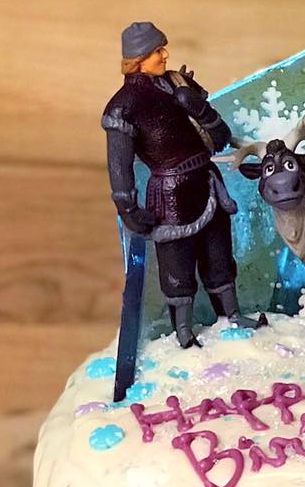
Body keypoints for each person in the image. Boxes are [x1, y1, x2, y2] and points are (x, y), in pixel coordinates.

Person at [102, 22, 265, 347]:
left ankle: (232, 315)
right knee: (177, 265)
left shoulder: (180, 83)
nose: (165, 54)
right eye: (157, 51)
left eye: (163, 47)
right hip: (170, 196)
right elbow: (119, 164)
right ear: (138, 60)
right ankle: (184, 332)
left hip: (207, 183)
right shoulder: (124, 106)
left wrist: (199, 108)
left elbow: (219, 138)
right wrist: (127, 207)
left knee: (219, 254)